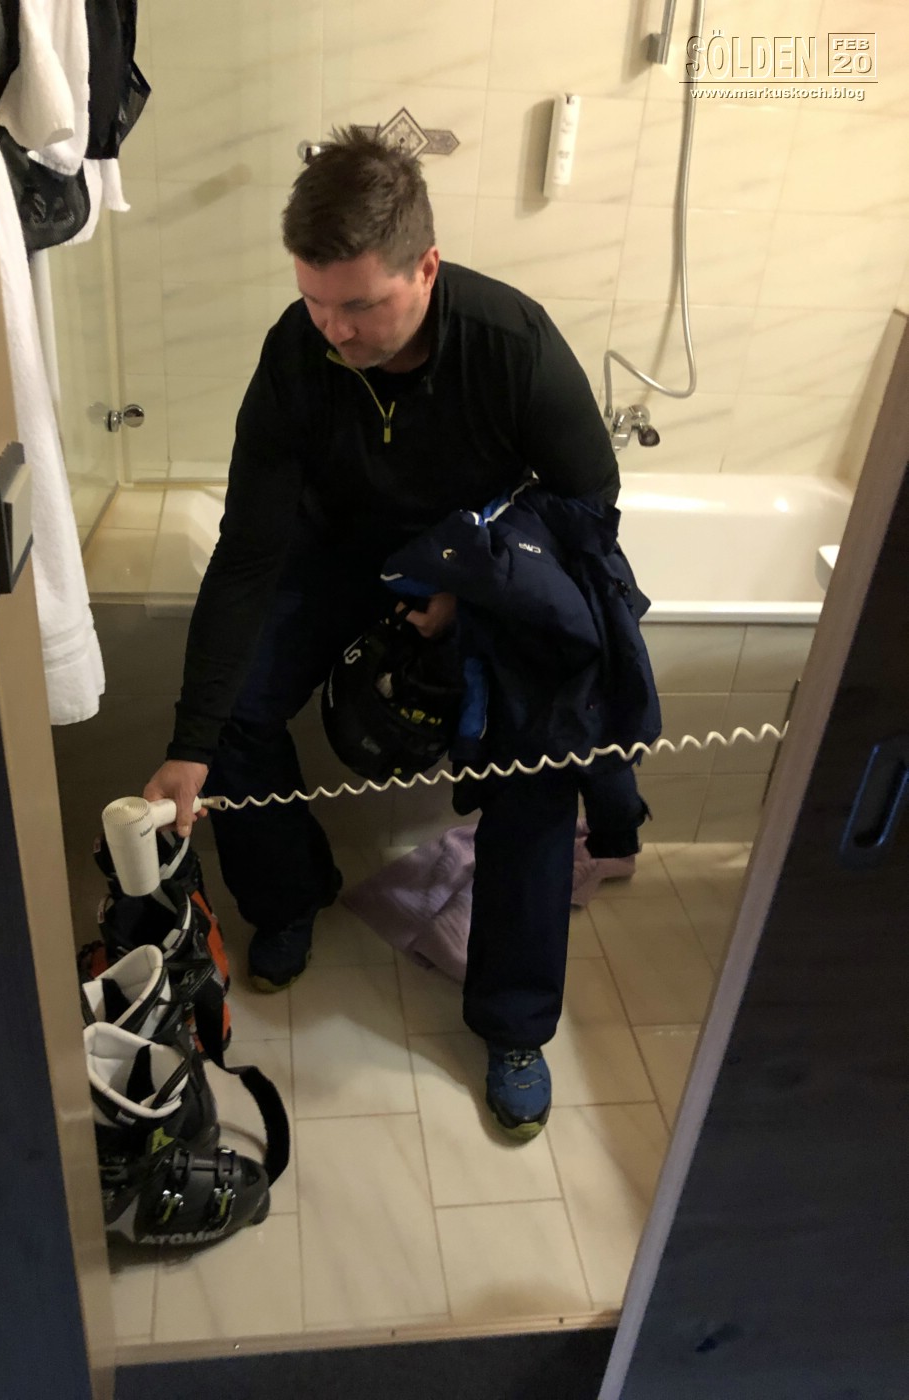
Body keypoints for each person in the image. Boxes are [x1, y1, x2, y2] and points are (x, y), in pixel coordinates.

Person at [143, 127, 647, 1140]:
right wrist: (190, 741)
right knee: (235, 711)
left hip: (479, 560)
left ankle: (513, 1024)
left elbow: (591, 510)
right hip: (339, 554)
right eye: (315, 300)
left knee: (537, 760)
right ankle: (291, 895)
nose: (335, 329)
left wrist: (472, 588)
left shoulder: (512, 344)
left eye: (360, 305)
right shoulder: (298, 351)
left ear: (426, 267)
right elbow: (249, 550)